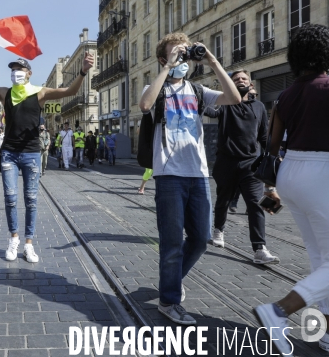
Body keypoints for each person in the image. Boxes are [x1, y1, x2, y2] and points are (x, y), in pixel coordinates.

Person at [0, 53, 94, 263]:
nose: (15, 73)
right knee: (10, 198)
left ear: (29, 74)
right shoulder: (4, 93)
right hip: (9, 153)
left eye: (19, 70)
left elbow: (69, 90)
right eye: (13, 70)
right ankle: (14, 239)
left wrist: (83, 71)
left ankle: (28, 244)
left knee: (31, 200)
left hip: (31, 153)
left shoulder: (40, 93)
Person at [138, 32, 240, 325]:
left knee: (200, 239)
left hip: (198, 174)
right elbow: (145, 105)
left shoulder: (197, 91)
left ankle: (170, 282)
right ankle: (169, 301)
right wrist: (168, 67)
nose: (183, 60)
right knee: (171, 242)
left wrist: (212, 60)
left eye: (185, 56)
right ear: (163, 58)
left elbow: (233, 97)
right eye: (176, 54)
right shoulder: (155, 87)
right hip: (169, 175)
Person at [254, 24, 329, 355]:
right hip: (321, 171)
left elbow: (272, 145)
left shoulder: (285, 95)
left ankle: (320, 332)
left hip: (290, 173)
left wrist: (272, 188)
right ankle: (278, 311)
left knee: (321, 259)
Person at [204, 70, 279, 264]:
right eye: (235, 79)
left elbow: (263, 136)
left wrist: (270, 164)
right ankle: (218, 230)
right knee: (223, 201)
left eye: (244, 79)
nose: (240, 81)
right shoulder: (225, 105)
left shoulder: (260, 107)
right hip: (226, 163)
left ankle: (260, 248)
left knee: (255, 204)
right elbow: (210, 111)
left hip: (251, 165)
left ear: (251, 84)